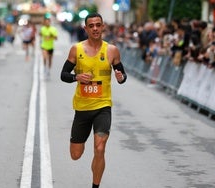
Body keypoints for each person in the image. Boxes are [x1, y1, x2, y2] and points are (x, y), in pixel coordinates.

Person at [60, 13, 127, 188]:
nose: (95, 28)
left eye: (98, 25)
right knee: (75, 154)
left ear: (103, 26)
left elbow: (122, 75)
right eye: (91, 26)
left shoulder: (112, 50)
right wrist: (76, 78)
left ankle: (95, 185)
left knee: (99, 148)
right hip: (82, 108)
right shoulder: (77, 49)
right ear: (86, 29)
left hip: (103, 106)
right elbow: (63, 75)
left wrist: (120, 77)